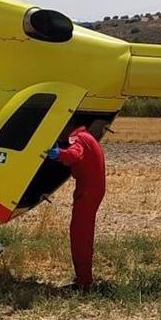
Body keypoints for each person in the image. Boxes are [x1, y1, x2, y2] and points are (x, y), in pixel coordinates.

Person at [44, 124, 106, 291]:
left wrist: (58, 154)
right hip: (92, 189)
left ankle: (84, 282)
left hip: (87, 191)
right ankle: (84, 279)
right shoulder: (87, 137)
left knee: (80, 236)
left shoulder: (77, 138)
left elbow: (75, 154)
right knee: (83, 234)